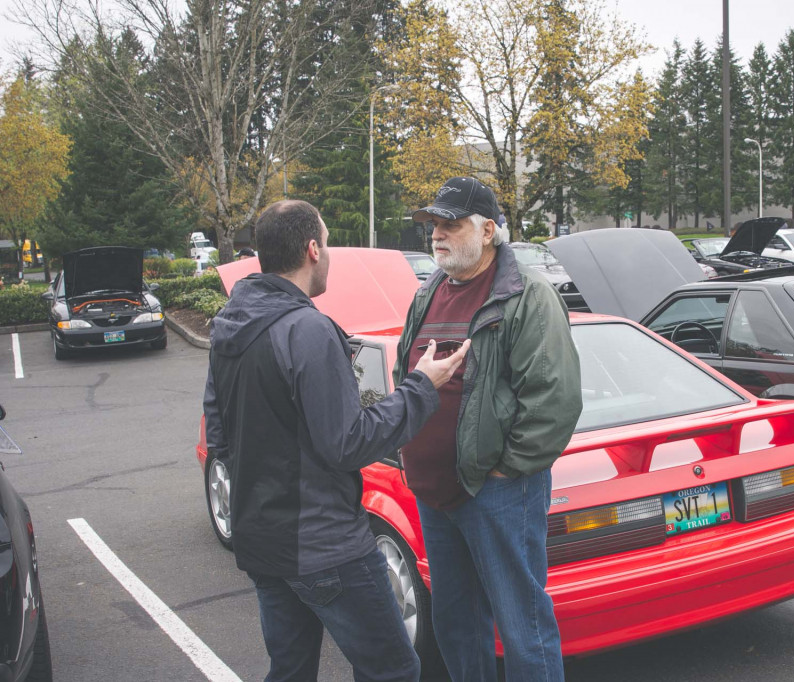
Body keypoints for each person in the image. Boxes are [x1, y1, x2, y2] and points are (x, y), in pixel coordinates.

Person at [203, 199, 469, 682]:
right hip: (324, 545)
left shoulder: (231, 323)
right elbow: (348, 443)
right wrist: (421, 387)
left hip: (261, 540)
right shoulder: (308, 330)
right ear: (312, 250)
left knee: (291, 670)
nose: (327, 254)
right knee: (393, 669)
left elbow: (219, 436)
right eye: (326, 243)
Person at [394, 177, 582, 682]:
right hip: (436, 494)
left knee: (523, 625)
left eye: (450, 225)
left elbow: (554, 401)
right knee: (456, 622)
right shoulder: (428, 292)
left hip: (497, 492)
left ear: (487, 231)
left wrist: (504, 471)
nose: (436, 235)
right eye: (433, 225)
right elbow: (405, 369)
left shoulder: (527, 296)